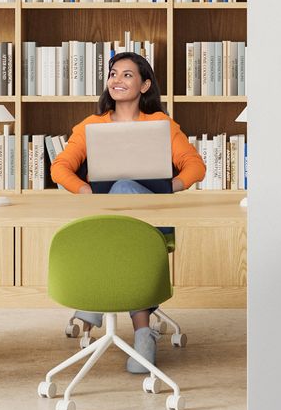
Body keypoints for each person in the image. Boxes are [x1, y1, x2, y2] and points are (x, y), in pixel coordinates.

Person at [49, 52, 204, 372]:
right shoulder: (91, 126)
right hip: (108, 219)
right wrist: (87, 192)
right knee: (120, 189)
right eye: (113, 74)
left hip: (151, 220)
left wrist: (168, 188)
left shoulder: (161, 124)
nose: (117, 80)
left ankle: (91, 309)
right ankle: (143, 332)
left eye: (127, 75)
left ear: (145, 84)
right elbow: (59, 168)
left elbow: (195, 167)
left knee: (124, 187)